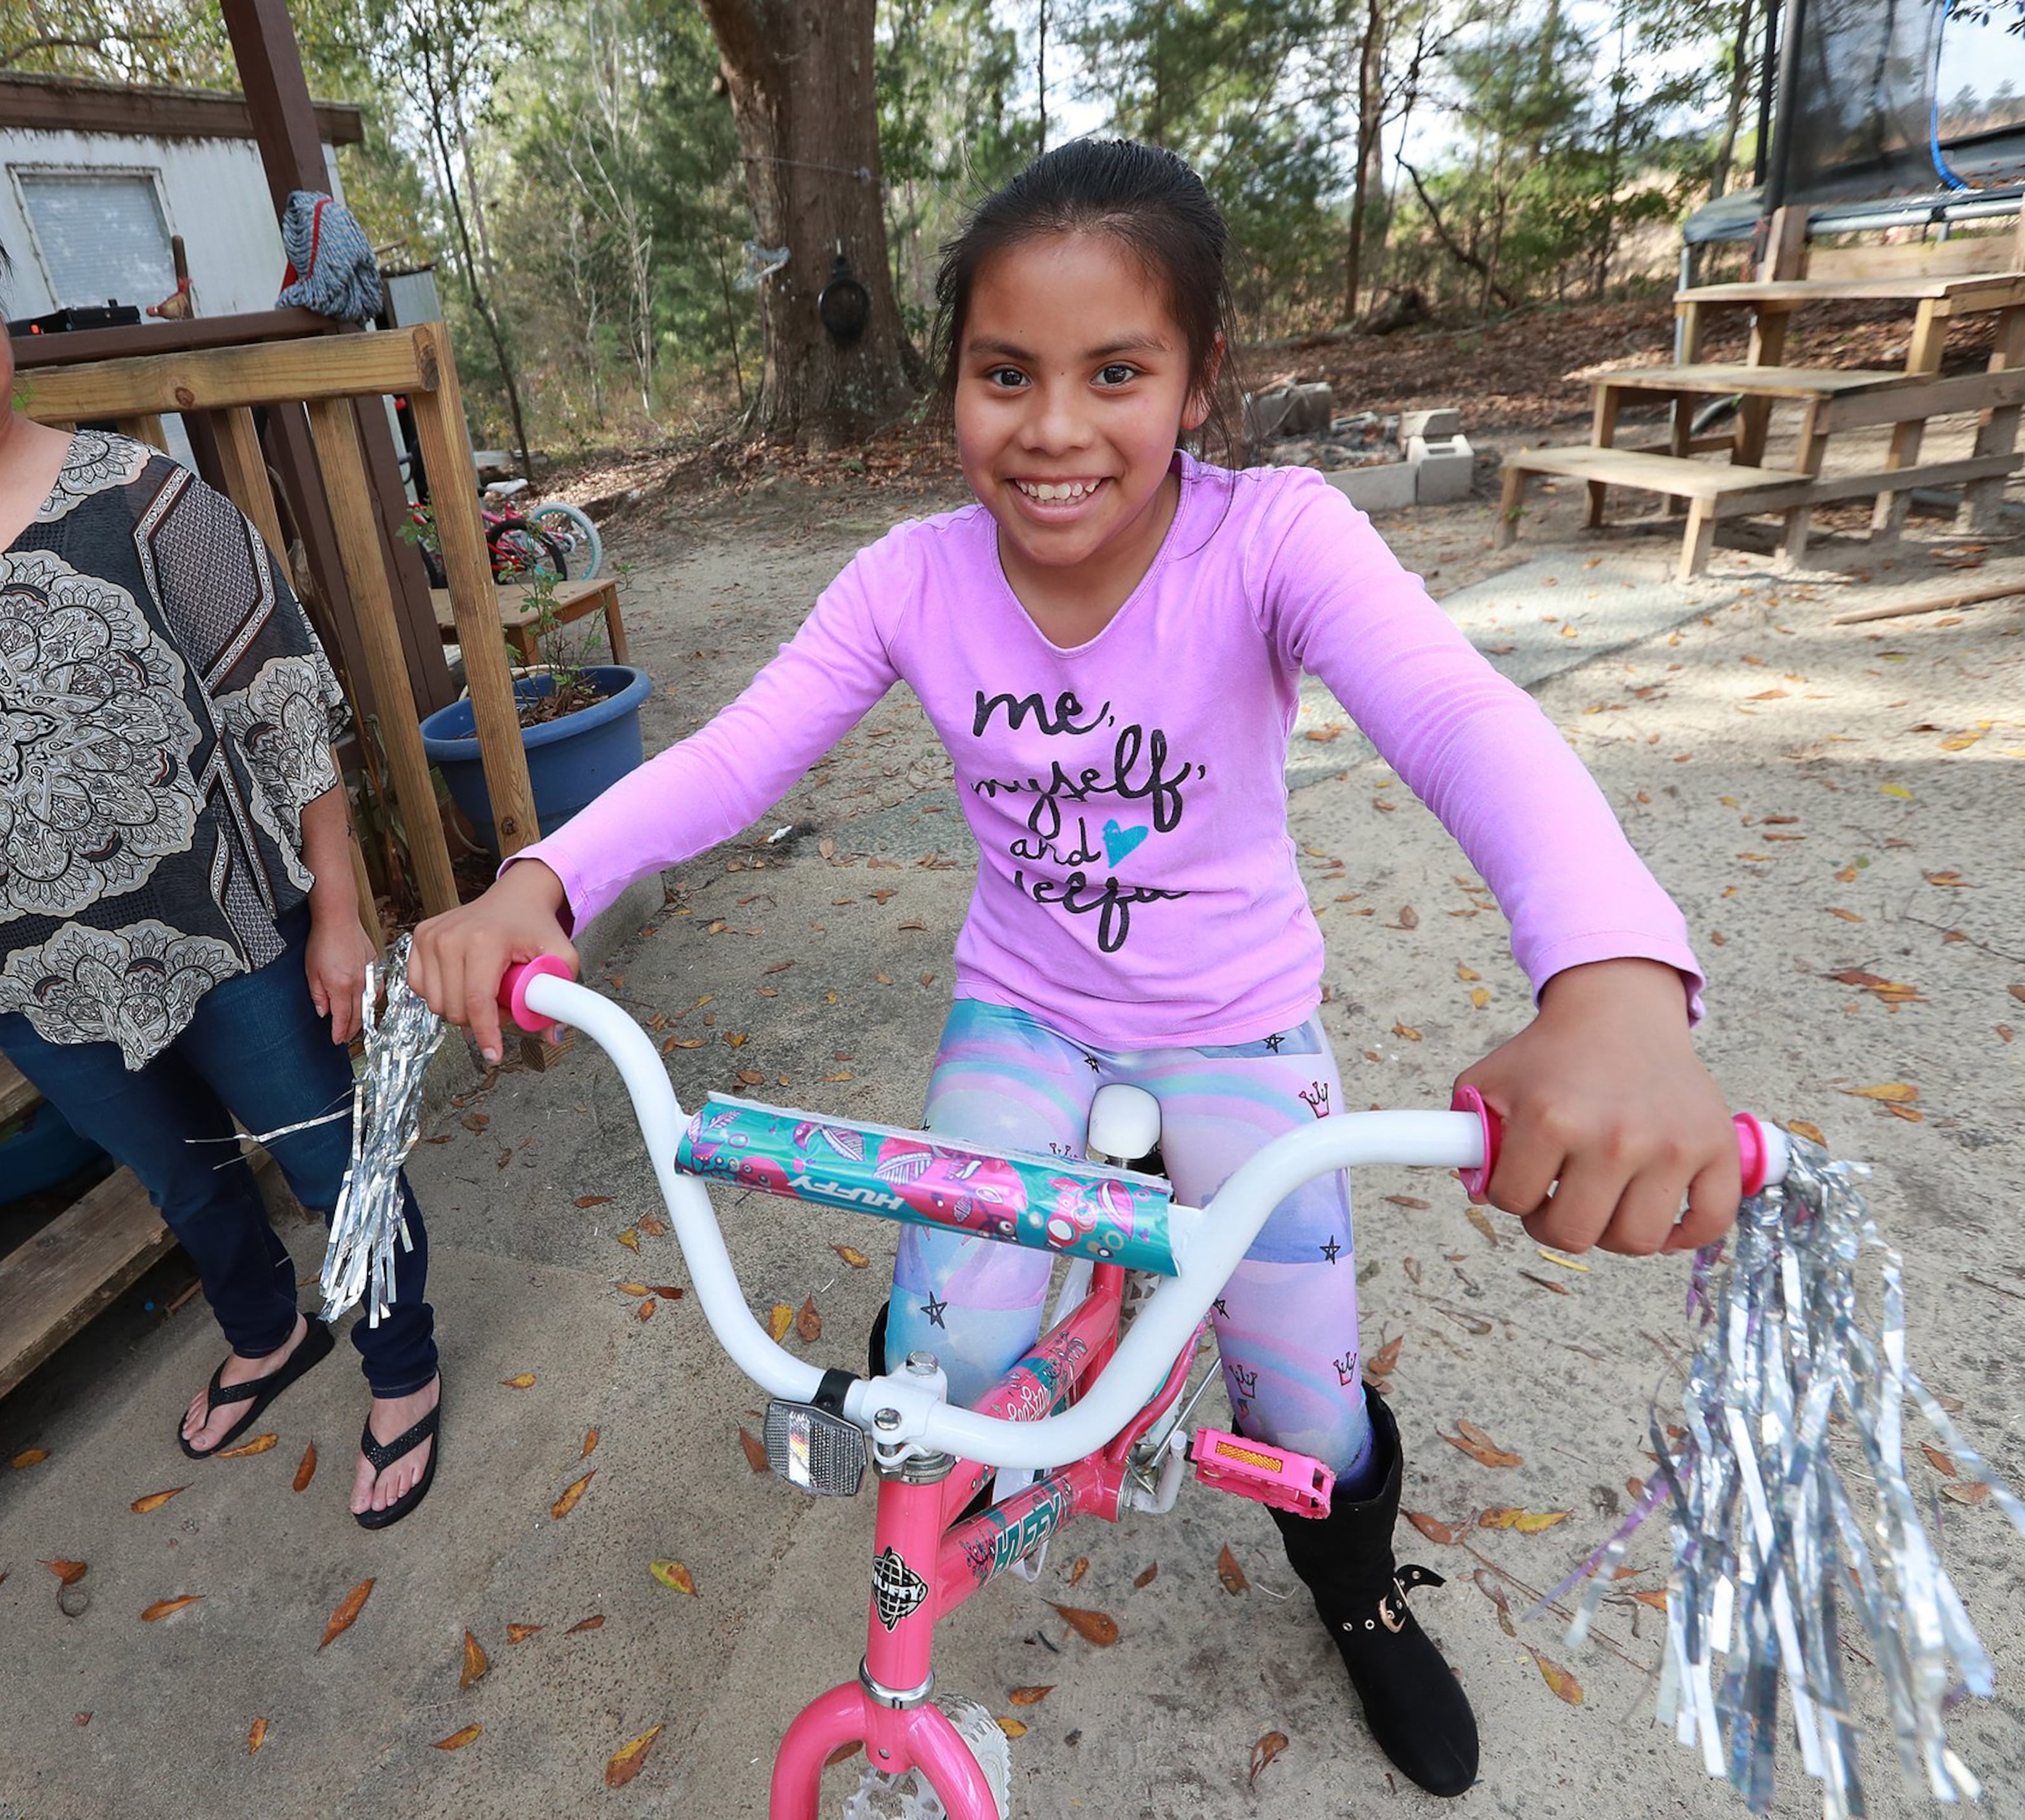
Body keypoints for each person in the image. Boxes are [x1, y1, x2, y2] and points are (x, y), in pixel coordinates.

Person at [411, 140, 1737, 1794]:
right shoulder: (911, 577)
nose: (1052, 426)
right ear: (953, 380)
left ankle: (1362, 1598)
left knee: (1308, 1419)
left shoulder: (1278, 541)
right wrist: (542, 877)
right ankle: (957, 1417)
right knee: (944, 1371)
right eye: (1004, 372)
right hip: (1026, 1010)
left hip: (1236, 1027)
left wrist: (1611, 979)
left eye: (1117, 371)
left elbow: (1465, 721)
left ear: (1199, 382)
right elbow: (742, 754)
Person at [0, 152, 440, 1530]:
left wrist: (339, 911)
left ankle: (400, 1367)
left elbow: (285, 710)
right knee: (179, 1178)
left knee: (332, 1159)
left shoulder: (145, 503)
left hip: (229, 933)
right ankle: (270, 1332)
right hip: (22, 974)